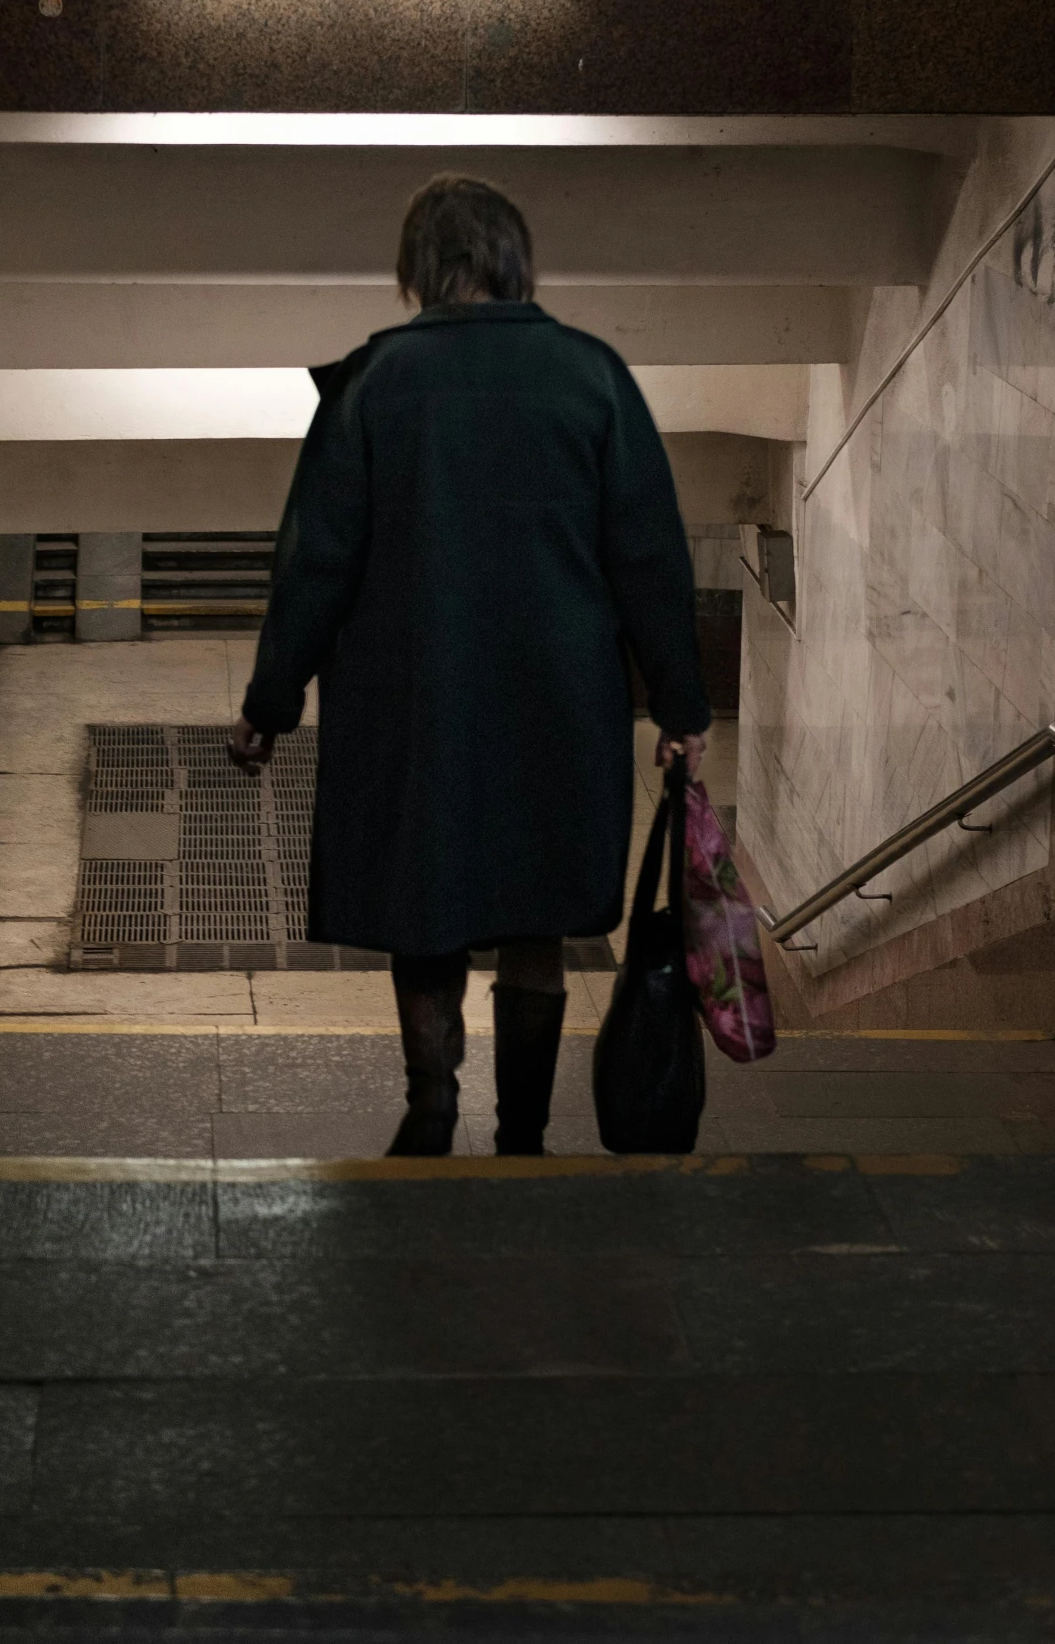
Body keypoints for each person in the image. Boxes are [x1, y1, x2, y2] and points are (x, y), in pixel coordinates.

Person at [230, 174, 709, 1156]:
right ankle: (523, 1132)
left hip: (414, 698)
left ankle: (431, 1105)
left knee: (427, 903)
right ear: (516, 260)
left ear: (417, 270)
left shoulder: (375, 385)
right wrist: (681, 704)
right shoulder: (592, 377)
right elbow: (650, 553)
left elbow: (315, 561)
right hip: (560, 700)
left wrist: (270, 703)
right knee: (536, 913)